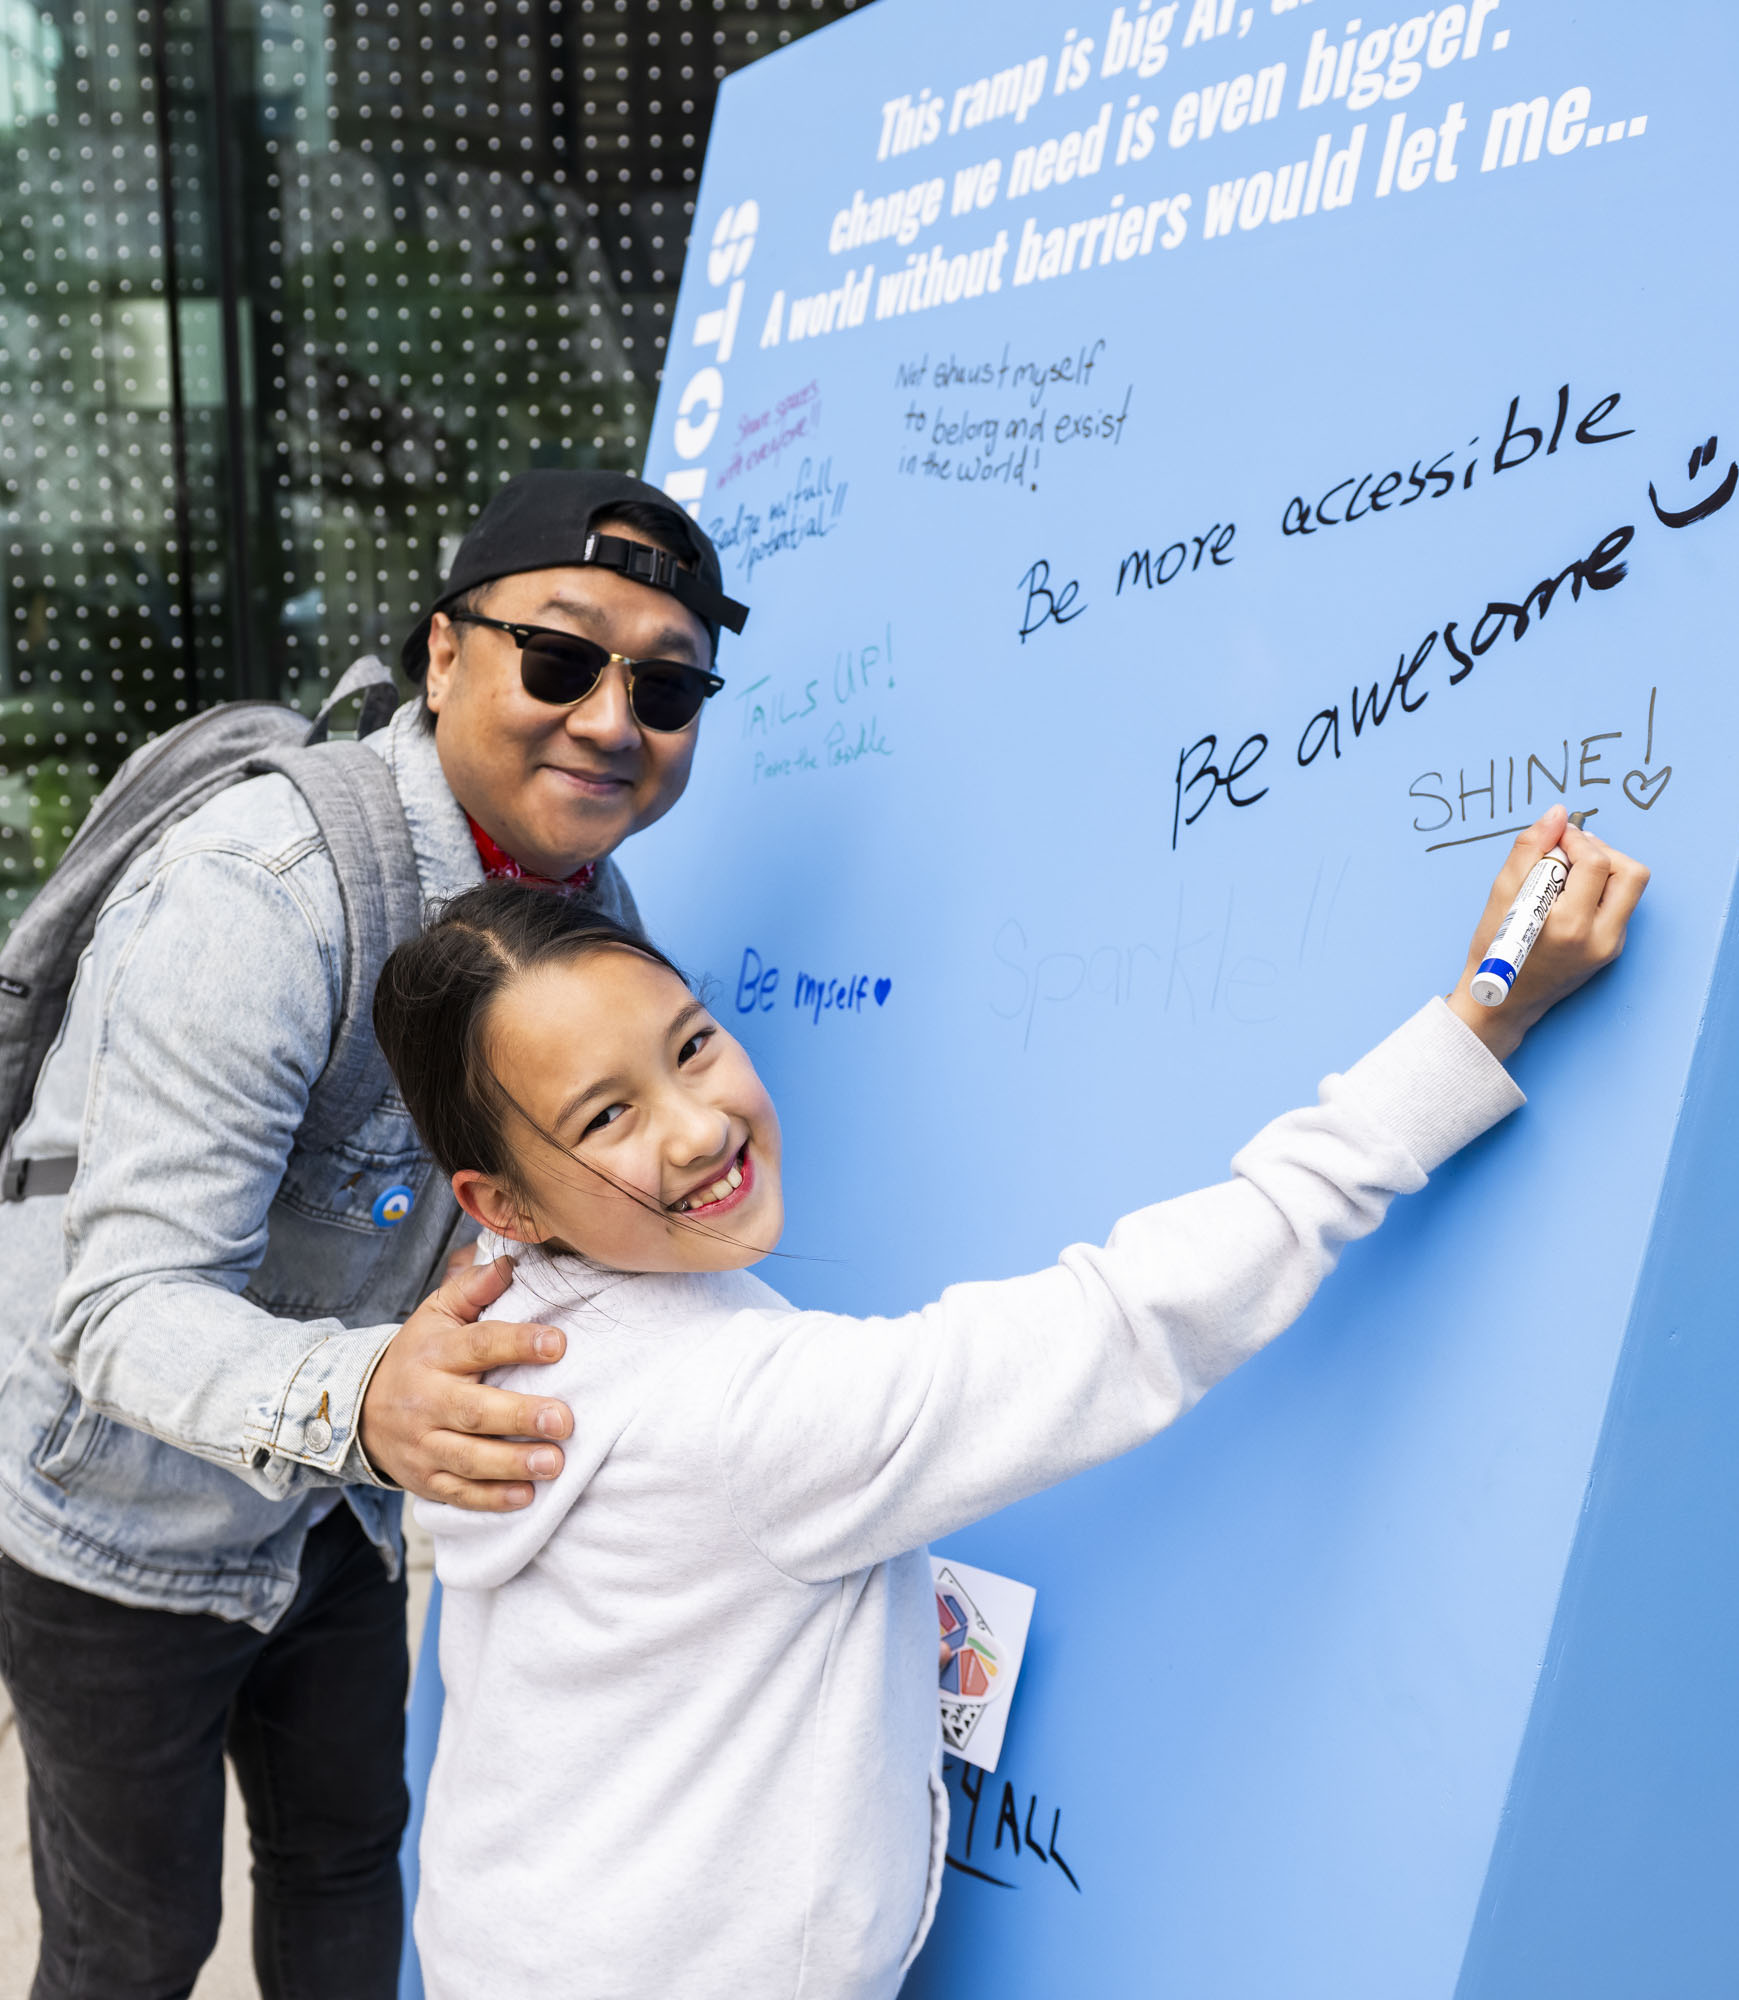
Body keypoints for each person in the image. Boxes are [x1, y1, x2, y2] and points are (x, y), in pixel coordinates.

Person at [373, 809, 1648, 2000]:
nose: (699, 1124)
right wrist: (1473, 1029)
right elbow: (1126, 1321)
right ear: (505, 1203)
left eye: (691, 1042)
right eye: (608, 1114)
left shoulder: (492, 1342)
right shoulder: (744, 1413)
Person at [0, 469, 746, 2000]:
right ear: (442, 654)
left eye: (665, 686)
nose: (612, 719)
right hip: (113, 1515)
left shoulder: (586, 904)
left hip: (337, 1512)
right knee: (136, 1940)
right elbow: (123, 1302)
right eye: (559, 656)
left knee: (349, 1871)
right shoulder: (257, 890)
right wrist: (366, 1399)